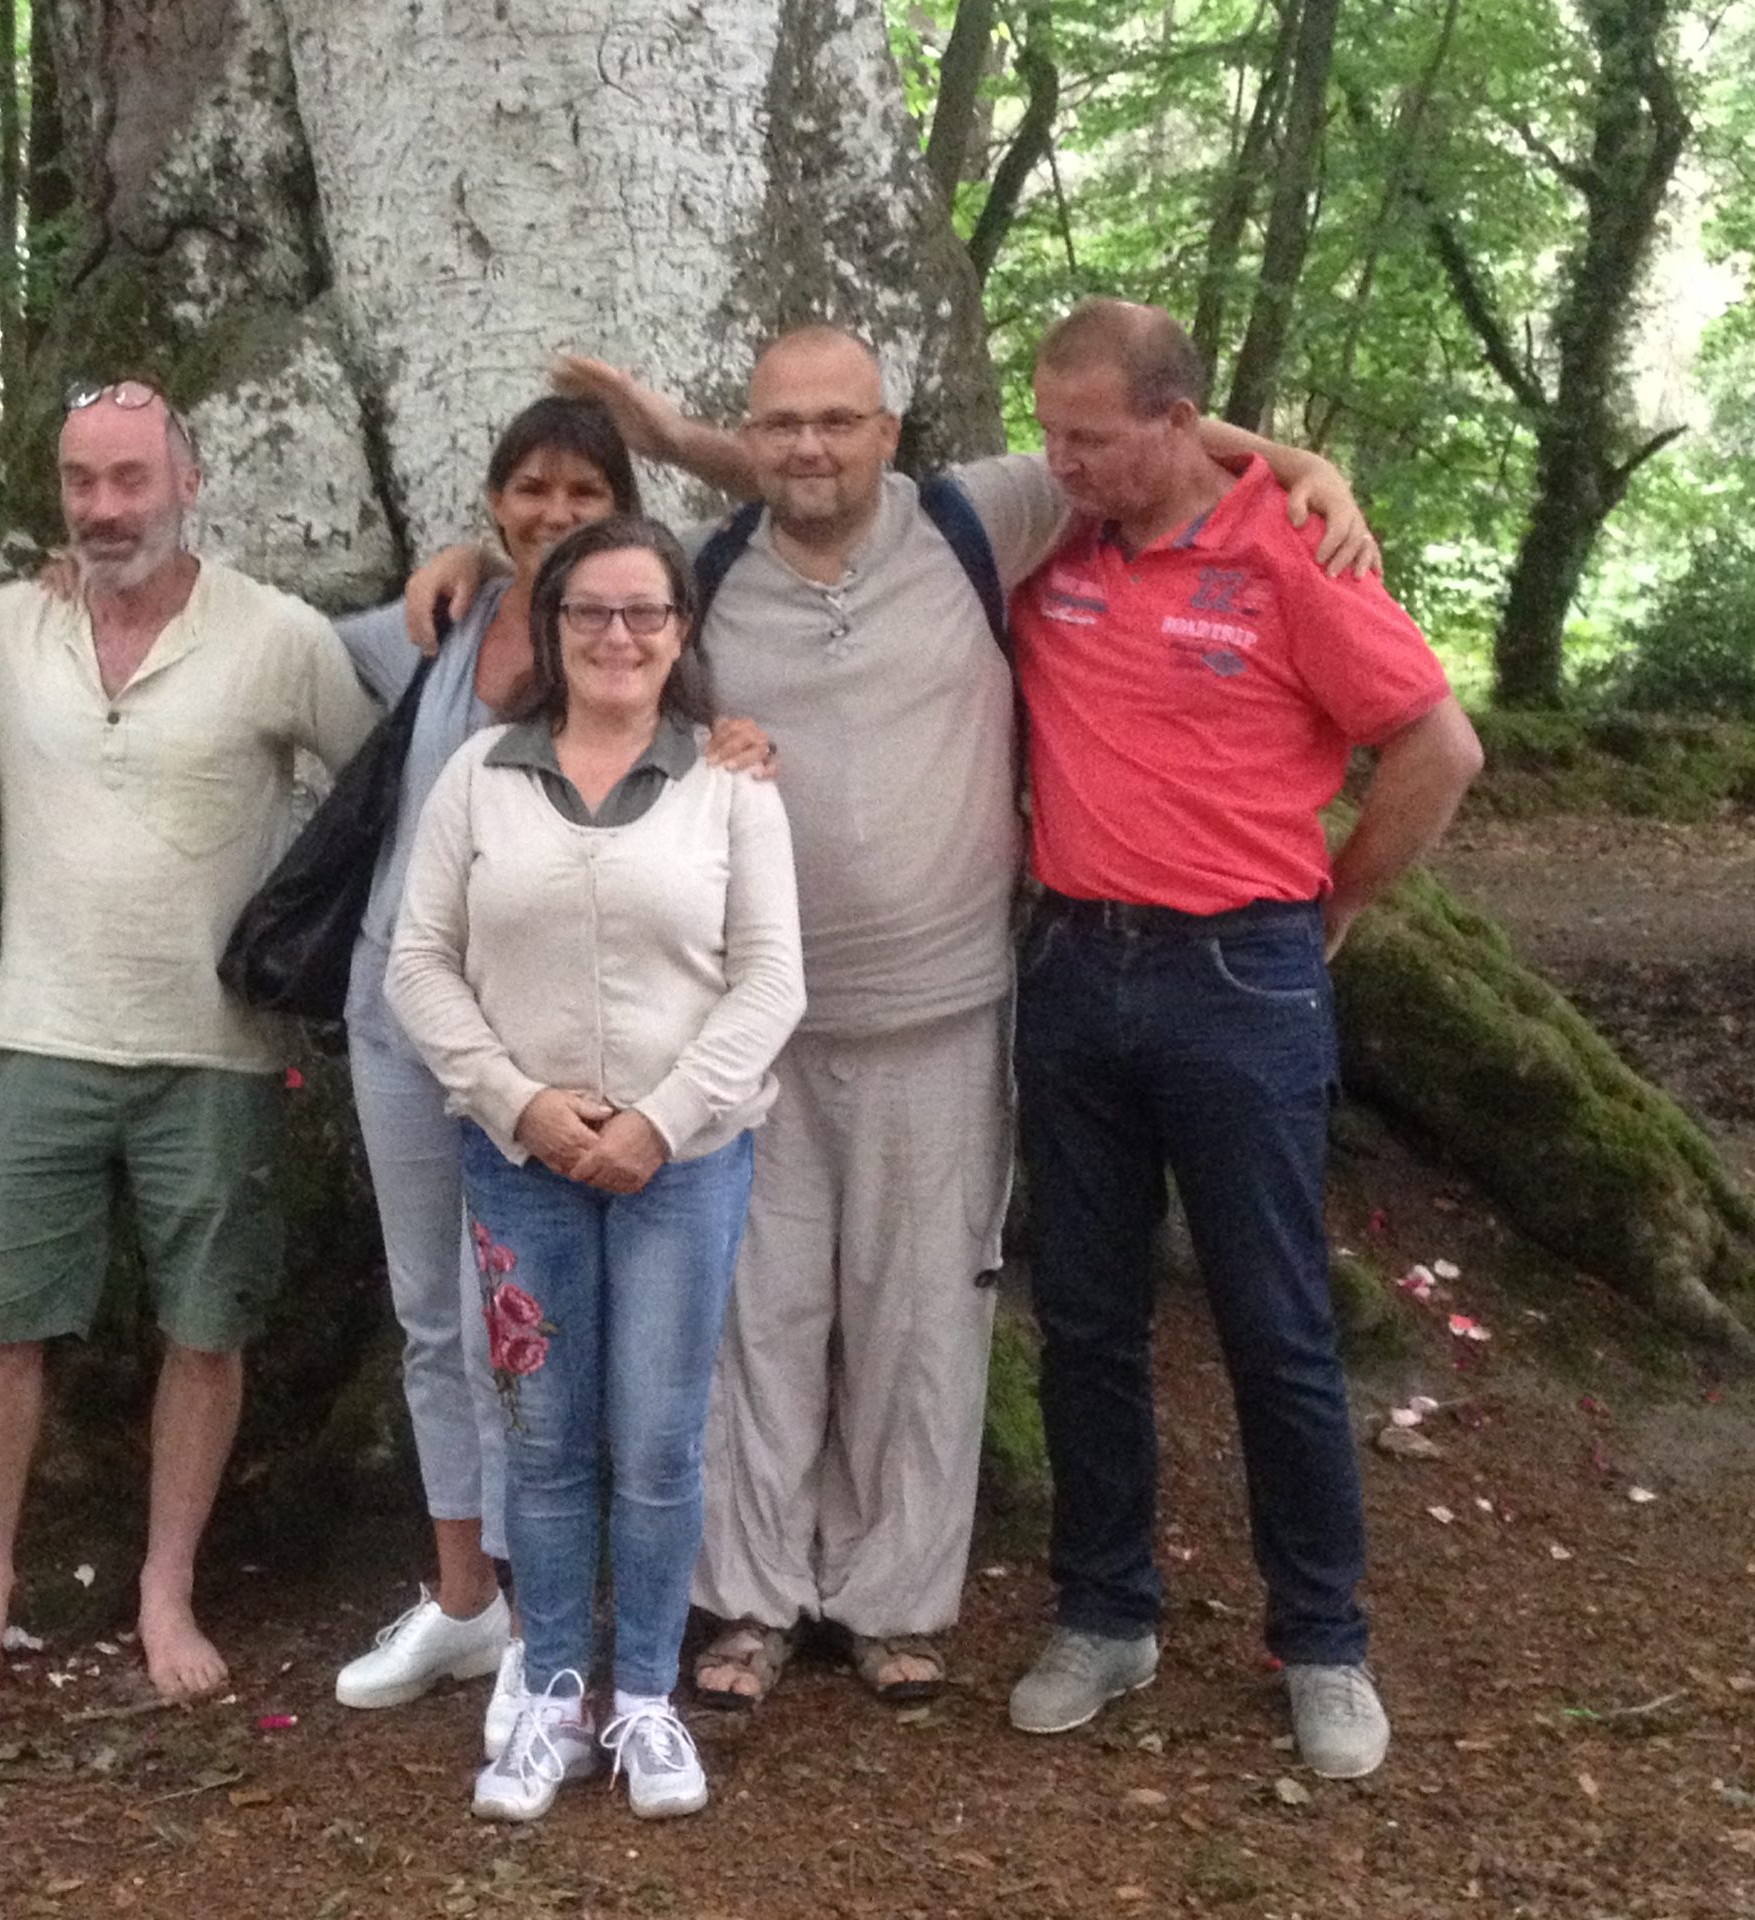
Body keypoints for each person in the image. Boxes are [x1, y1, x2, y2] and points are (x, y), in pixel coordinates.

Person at [412, 328, 1378, 1711]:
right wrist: (468, 561)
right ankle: (745, 1600)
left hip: (950, 1008)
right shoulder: (708, 574)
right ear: (749, 438)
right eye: (781, 425)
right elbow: (585, 628)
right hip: (749, 1032)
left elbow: (1158, 439)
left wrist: (1307, 465)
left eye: (839, 422)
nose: (809, 448)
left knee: (921, 1318)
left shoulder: (986, 517)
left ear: (891, 428)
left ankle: (893, 1600)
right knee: (758, 1320)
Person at [1003, 299, 1480, 1778]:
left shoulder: (1290, 547)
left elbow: (1440, 746)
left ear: (1172, 421)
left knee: (1275, 1326)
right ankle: (1105, 1612)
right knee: (1084, 1313)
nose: (1059, 460)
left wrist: (1335, 904)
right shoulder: (1052, 543)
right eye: (1049, 431)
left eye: (1089, 436)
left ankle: (1324, 1641)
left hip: (1243, 974)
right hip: (1076, 965)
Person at [0, 379, 382, 1706]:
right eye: (82, 481)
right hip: (39, 1032)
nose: (106, 507)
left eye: (130, 478)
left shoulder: (277, 640)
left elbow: (385, 786)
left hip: (218, 1045)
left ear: (190, 481)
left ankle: (166, 1588)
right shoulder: (14, 629)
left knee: (206, 1327)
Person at [327, 398, 773, 1756]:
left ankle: (555, 1639)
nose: (553, 511)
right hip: (418, 1024)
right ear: (492, 502)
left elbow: (762, 953)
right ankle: (467, 1594)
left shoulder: (650, 661)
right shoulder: (435, 624)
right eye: (528, 488)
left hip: (608, 1084)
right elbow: (261, 643)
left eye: (585, 489)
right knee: (435, 1318)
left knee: (555, 1357)